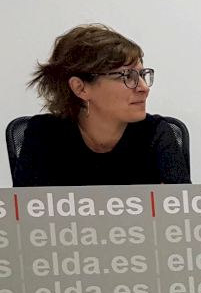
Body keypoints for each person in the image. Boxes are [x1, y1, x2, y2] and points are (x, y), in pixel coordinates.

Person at [15, 24, 189, 186]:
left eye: (142, 75)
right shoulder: (44, 135)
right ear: (80, 88)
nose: (144, 88)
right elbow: (26, 207)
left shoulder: (156, 133)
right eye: (127, 76)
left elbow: (179, 206)